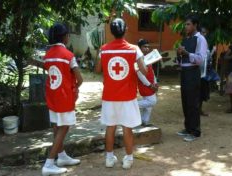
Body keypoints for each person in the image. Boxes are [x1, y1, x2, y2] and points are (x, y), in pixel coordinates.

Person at [95, 18, 147, 169]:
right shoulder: (134, 49)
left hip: (109, 96)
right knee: (127, 128)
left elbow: (98, 70)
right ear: (126, 30)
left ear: (111, 31)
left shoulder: (103, 49)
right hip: (127, 96)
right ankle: (129, 159)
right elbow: (143, 70)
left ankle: (109, 158)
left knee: (110, 127)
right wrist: (145, 61)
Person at [39, 23, 83, 176]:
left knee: (57, 126)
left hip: (52, 95)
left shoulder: (48, 54)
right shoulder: (68, 55)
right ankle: (49, 163)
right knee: (64, 127)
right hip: (64, 96)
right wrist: (76, 87)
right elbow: (80, 78)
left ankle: (62, 156)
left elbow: (49, 69)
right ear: (65, 37)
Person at [176, 15, 208, 142]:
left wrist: (187, 53)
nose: (186, 26)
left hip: (193, 72)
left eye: (188, 24)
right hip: (184, 71)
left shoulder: (200, 39)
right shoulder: (186, 39)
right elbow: (181, 60)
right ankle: (188, 128)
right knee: (185, 100)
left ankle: (195, 131)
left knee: (193, 102)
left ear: (195, 25)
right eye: (185, 24)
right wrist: (179, 55)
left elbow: (200, 59)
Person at [136, 39, 158, 126]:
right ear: (139, 48)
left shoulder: (147, 57)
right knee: (152, 101)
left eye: (148, 47)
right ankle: (131, 106)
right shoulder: (138, 59)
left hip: (151, 84)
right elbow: (139, 74)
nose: (147, 49)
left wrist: (155, 82)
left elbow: (151, 71)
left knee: (148, 105)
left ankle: (144, 122)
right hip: (145, 85)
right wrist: (150, 85)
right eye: (144, 47)